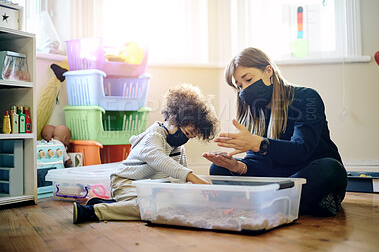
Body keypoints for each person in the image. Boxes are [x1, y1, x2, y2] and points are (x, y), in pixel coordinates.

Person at [202, 47, 347, 216]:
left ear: (268, 71)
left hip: (306, 171)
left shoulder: (307, 98)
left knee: (330, 169)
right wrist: (237, 166)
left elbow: (301, 150)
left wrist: (259, 144)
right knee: (217, 170)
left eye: (248, 79)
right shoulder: (253, 113)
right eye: (239, 86)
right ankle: (278, 201)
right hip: (277, 180)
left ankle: (255, 201)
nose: (244, 90)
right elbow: (258, 165)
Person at [73, 83, 219, 224]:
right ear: (175, 117)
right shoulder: (154, 136)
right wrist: (194, 178)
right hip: (125, 182)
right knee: (152, 208)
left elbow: (180, 179)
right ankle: (92, 211)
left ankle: (111, 204)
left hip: (149, 189)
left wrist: (194, 189)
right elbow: (159, 159)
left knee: (172, 205)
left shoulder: (178, 148)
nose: (185, 138)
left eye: (190, 137)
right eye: (186, 133)